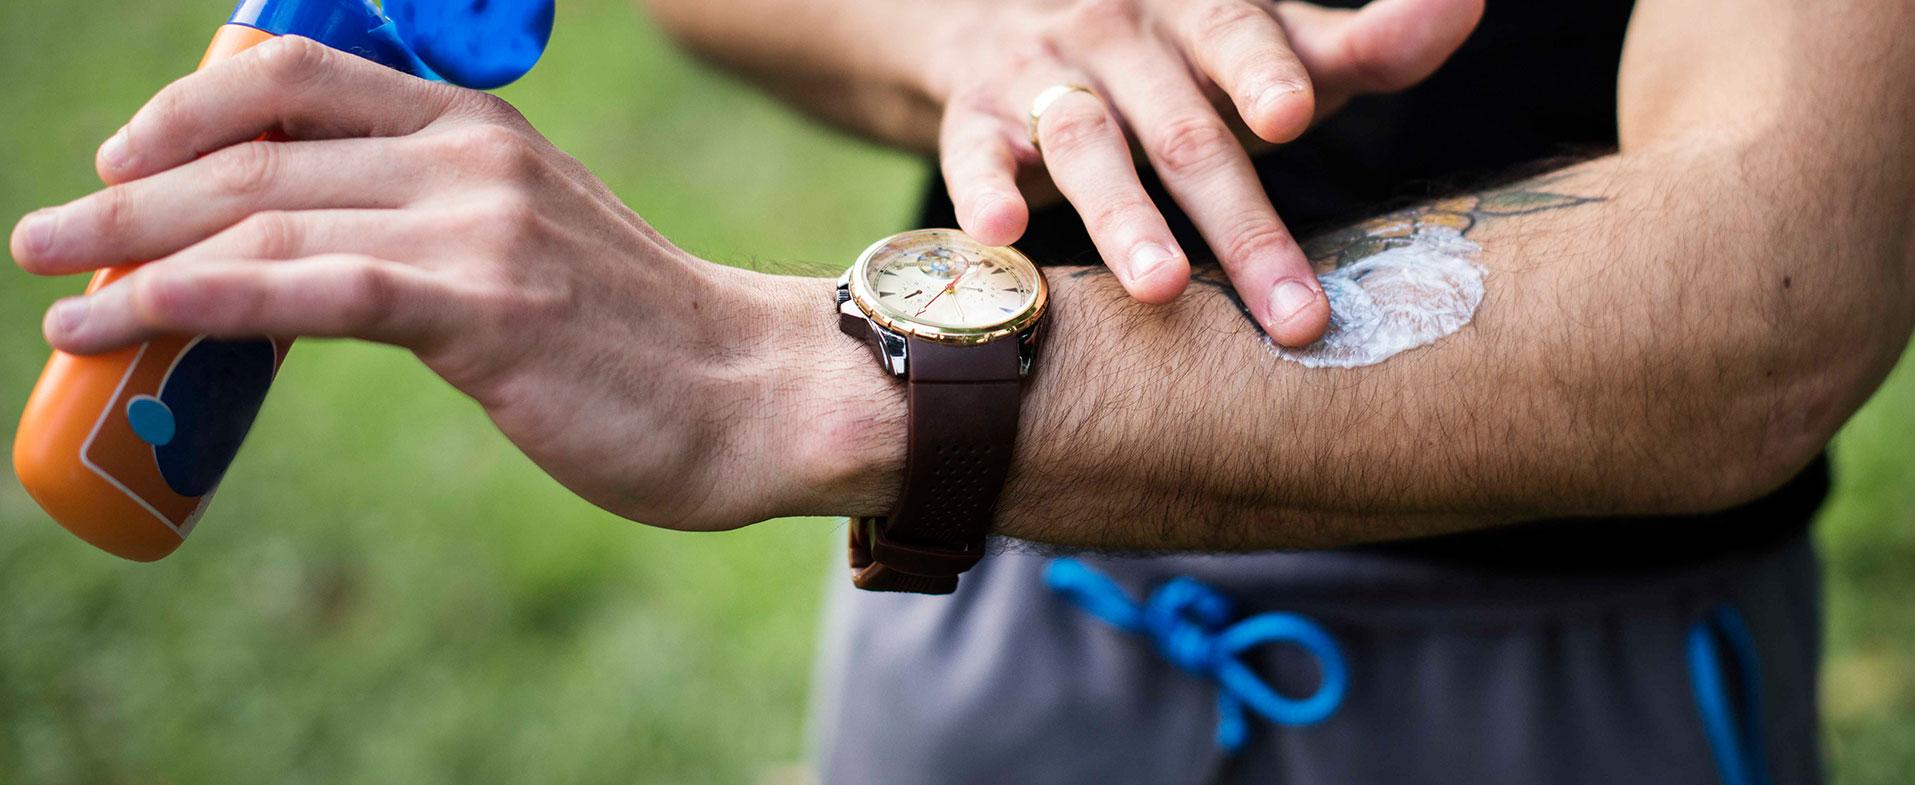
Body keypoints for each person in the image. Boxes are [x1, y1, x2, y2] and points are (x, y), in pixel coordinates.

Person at [8, 0, 1911, 781]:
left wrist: (798, 373)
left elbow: (1778, 272)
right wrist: (963, 29)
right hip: (984, 619)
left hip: (1562, 680)